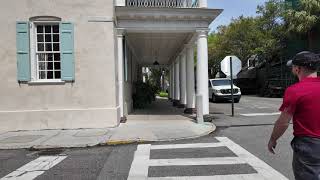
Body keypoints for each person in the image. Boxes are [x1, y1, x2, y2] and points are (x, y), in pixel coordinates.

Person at [268, 51, 320, 180]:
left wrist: (273, 138)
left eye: (292, 66)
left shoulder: (295, 91)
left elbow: (284, 122)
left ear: (298, 69)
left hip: (309, 145)